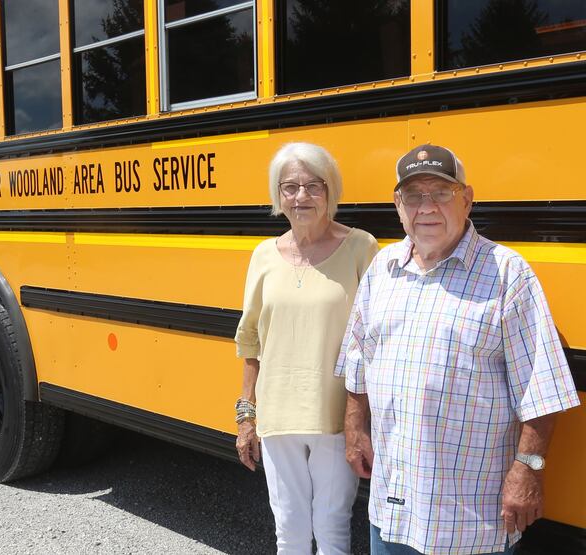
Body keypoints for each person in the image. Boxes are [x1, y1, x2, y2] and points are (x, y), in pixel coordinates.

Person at [335, 144, 581, 555]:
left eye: (441, 192)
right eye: (414, 195)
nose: (426, 206)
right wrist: (356, 429)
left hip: (471, 519)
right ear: (398, 206)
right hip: (393, 506)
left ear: (466, 199)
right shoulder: (383, 269)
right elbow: (359, 358)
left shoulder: (507, 274)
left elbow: (542, 386)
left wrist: (528, 470)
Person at [234, 142, 379, 554]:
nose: (301, 197)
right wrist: (246, 416)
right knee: (290, 529)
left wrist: (363, 419)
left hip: (336, 415)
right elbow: (251, 340)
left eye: (313, 186)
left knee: (332, 526)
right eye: (290, 187)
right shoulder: (264, 255)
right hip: (278, 415)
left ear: (331, 190)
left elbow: (374, 337)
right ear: (277, 195)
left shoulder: (361, 248)